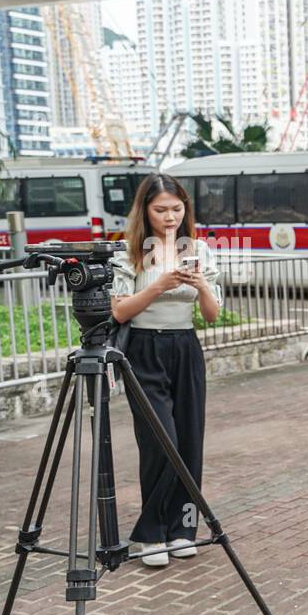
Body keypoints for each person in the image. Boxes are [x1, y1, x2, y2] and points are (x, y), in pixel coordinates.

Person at [111, 173, 222, 568]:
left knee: (189, 440)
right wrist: (159, 284)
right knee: (161, 441)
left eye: (177, 209)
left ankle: (182, 529)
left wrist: (202, 286)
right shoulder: (129, 252)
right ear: (145, 210)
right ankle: (150, 534)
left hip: (185, 346)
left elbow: (211, 314)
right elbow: (120, 310)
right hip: (143, 349)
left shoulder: (200, 250)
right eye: (161, 210)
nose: (170, 217)